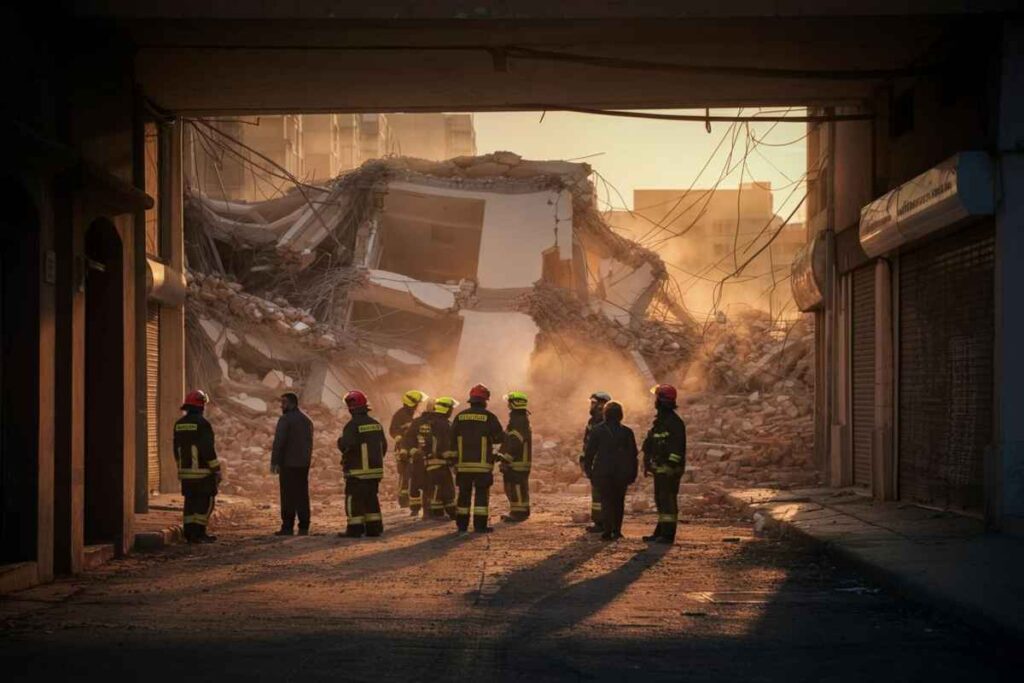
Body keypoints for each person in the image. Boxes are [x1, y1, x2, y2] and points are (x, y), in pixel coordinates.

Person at [449, 384, 504, 533]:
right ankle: (479, 526)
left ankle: (462, 526)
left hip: (463, 465)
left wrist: (453, 461)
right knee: (481, 495)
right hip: (482, 466)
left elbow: (451, 439)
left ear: (471, 400)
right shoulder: (489, 417)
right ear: (485, 401)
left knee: (463, 495)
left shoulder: (460, 417)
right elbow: (500, 437)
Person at [584, 401, 638, 541]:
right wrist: (633, 473)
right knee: (618, 501)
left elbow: (589, 453)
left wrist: (589, 471)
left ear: (605, 414)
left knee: (606, 501)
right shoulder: (627, 432)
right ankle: (617, 530)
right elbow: (633, 455)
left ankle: (607, 531)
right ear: (620, 415)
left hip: (603, 472)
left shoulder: (597, 431)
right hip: (621, 473)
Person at [173, 390, 222, 544]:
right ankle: (200, 534)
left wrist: (181, 467)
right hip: (202, 472)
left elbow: (176, 449)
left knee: (190, 503)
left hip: (185, 472)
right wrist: (216, 468)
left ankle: (189, 534)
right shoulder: (203, 424)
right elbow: (207, 449)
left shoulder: (179, 424)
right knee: (204, 502)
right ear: (201, 405)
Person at [337, 390, 387, 538]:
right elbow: (383, 446)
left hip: (357, 473)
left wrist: (339, 442)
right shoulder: (376, 424)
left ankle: (354, 529)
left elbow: (347, 445)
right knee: (371, 499)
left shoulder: (352, 425)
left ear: (351, 407)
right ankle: (374, 528)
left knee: (354, 499)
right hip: (375, 472)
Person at [642, 384, 687, 544]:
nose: (654, 401)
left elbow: (677, 449)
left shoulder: (674, 423)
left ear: (661, 400)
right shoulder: (661, 421)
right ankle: (660, 531)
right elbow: (652, 443)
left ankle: (668, 535)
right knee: (661, 500)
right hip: (660, 468)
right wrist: (647, 462)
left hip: (669, 470)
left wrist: (670, 466)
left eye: (656, 398)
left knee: (667, 500)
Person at [270, 392, 314, 536]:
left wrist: (275, 462)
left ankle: (287, 527)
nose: (281, 405)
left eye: (284, 402)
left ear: (292, 403)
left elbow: (279, 442)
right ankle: (304, 526)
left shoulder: (285, 419)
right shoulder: (307, 420)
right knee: (302, 495)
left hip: (288, 464)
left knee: (288, 496)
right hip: (303, 464)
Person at [407, 396, 458, 520]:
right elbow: (445, 444)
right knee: (439, 487)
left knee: (428, 486)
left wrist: (415, 453)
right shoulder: (442, 424)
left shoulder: (420, 422)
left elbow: (408, 440)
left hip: (422, 460)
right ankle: (437, 513)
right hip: (435, 461)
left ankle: (428, 513)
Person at [580, 391, 612, 533]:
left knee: (601, 494)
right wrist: (583, 458)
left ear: (601, 405)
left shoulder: (604, 422)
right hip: (595, 463)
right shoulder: (592, 422)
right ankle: (600, 521)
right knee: (597, 494)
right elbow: (587, 443)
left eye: (594, 403)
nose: (591, 406)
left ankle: (602, 523)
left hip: (602, 464)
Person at [498, 391, 533, 523]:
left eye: (509, 402)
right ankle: (519, 511)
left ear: (514, 404)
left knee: (516, 488)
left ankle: (519, 514)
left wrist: (506, 458)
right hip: (519, 461)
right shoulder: (520, 419)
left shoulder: (518, 421)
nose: (508, 405)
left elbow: (515, 441)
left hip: (517, 462)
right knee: (518, 487)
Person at [389, 390, 426, 510]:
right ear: (412, 403)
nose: (418, 405)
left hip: (414, 447)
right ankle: (403, 501)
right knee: (405, 474)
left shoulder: (415, 414)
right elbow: (392, 430)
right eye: (417, 403)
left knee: (415, 473)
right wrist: (399, 438)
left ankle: (414, 500)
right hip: (403, 449)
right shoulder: (399, 415)